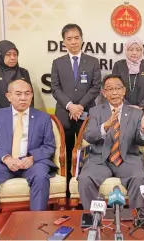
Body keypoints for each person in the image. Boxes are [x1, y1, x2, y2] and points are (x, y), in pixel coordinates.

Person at [0, 79, 57, 240]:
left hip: (31, 162)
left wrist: (33, 157)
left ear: (32, 96)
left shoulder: (43, 118)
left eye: (27, 94)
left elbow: (49, 146)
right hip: (4, 162)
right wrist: (6, 158)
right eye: (18, 94)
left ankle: (37, 225)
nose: (23, 98)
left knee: (41, 176)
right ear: (8, 96)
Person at [78, 74, 144, 212]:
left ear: (124, 91)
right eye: (110, 89)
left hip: (127, 160)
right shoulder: (96, 111)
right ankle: (94, 218)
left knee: (138, 177)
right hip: (100, 161)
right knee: (85, 178)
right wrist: (105, 126)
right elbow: (89, 136)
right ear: (104, 93)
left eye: (118, 88)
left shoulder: (136, 113)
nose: (114, 92)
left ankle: (137, 218)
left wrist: (143, 128)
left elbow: (142, 141)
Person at [51, 23, 101, 189]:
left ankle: (83, 187)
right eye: (69, 39)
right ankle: (65, 188)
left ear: (82, 39)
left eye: (76, 38)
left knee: (86, 150)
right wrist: (70, 106)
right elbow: (55, 88)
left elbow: (95, 87)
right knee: (65, 151)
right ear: (64, 41)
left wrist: (79, 106)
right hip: (64, 115)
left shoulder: (92, 62)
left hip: (86, 113)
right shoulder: (58, 63)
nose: (73, 42)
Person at [0, 40, 33, 113]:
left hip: (22, 116)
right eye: (8, 54)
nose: (12, 58)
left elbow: (30, 97)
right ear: (0, 55)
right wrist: (6, 116)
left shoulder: (23, 72)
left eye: (15, 54)